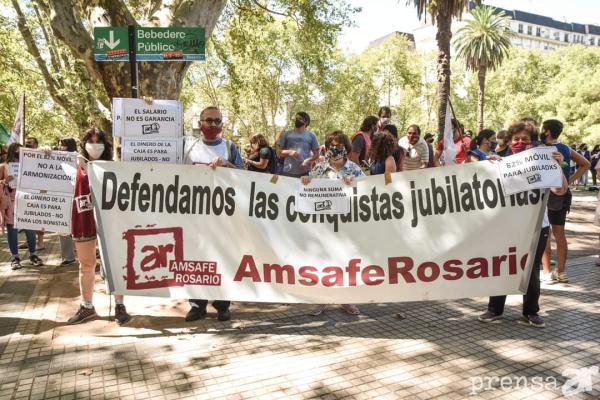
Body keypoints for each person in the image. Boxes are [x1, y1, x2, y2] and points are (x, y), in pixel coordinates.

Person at [478, 120, 568, 328]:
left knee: (532, 269)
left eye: (525, 139)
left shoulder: (543, 162)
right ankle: (494, 309)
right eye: (516, 139)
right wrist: (487, 167)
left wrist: (557, 165)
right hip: (506, 226)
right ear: (509, 141)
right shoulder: (500, 161)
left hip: (537, 225)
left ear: (532, 142)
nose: (520, 142)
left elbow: (560, 191)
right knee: (502, 265)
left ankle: (531, 312)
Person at [183, 106, 244, 322]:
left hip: (222, 215)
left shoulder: (229, 146)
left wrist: (227, 164)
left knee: (222, 258)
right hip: (194, 213)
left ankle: (222, 305)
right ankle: (196, 305)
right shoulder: (188, 146)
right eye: (208, 120)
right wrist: (147, 105)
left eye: (217, 121)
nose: (212, 125)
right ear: (199, 123)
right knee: (194, 258)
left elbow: (244, 175)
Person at [67, 127, 130, 324]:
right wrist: (47, 156)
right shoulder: (74, 166)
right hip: (83, 220)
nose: (94, 145)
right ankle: (87, 306)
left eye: (98, 141)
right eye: (90, 141)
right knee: (86, 265)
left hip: (111, 222)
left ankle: (120, 305)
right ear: (83, 144)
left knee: (116, 264)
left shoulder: (113, 167)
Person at [302, 131, 364, 316]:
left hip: (346, 225)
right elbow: (306, 187)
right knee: (323, 261)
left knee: (345, 261)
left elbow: (367, 191)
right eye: (331, 146)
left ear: (346, 148)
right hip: (324, 225)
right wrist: (306, 180)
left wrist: (355, 183)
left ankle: (346, 300)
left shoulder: (354, 169)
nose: (335, 149)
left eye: (338, 146)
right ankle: (322, 300)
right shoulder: (319, 168)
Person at [539, 120, 590, 284]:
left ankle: (546, 273)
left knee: (545, 234)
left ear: (546, 131)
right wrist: (569, 181)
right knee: (559, 233)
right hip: (562, 195)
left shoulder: (539, 149)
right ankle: (561, 272)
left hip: (546, 195)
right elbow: (586, 164)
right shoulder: (565, 148)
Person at [0, 143, 43, 270]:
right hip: (11, 202)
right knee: (12, 231)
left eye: (21, 153)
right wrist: (4, 181)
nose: (19, 156)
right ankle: (15, 257)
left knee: (30, 229)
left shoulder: (28, 165)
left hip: (27, 200)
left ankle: (33, 255)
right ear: (12, 153)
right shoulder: (4, 166)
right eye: (17, 153)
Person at [20, 137, 45, 251]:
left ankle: (40, 243)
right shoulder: (23, 156)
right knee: (27, 216)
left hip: (40, 190)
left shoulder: (42, 155)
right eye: (27, 143)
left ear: (36, 144)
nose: (28, 144)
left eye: (30, 143)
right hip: (27, 190)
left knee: (39, 216)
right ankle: (28, 241)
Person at [276, 112, 319, 178]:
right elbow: (278, 153)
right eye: (296, 118)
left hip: (305, 173)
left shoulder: (311, 135)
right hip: (288, 172)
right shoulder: (286, 134)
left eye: (300, 118)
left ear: (306, 122)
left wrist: (307, 161)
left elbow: (317, 155)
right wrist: (289, 152)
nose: (297, 120)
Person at [57, 138, 77, 266]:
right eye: (59, 145)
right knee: (62, 227)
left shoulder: (77, 158)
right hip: (61, 197)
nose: (60, 148)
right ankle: (68, 257)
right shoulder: (55, 157)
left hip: (75, 197)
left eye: (62, 145)